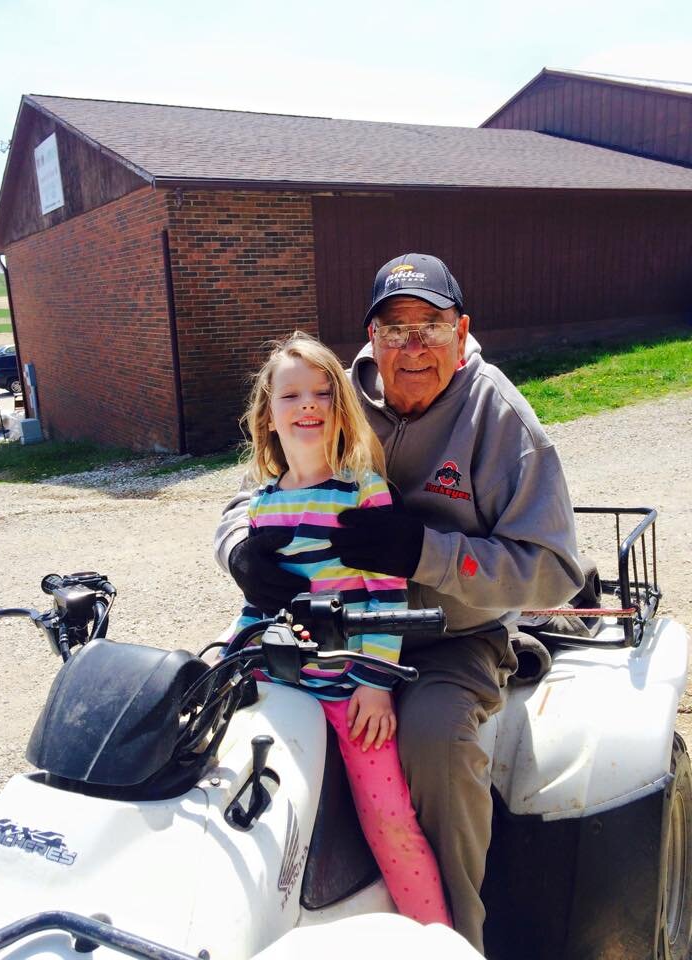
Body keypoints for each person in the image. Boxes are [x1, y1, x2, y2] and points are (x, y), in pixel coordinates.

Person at [215, 255, 584, 953]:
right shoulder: (331, 391)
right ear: (371, 338)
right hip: (325, 624)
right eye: (395, 330)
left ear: (461, 329)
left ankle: (451, 939)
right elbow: (258, 491)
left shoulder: (499, 416)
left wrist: (424, 553)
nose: (412, 348)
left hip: (450, 637)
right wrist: (239, 548)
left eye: (431, 328)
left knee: (433, 744)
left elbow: (556, 570)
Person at [226, 331, 452, 927]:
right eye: (292, 394)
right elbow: (260, 605)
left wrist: (376, 682)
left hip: (350, 692)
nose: (309, 404)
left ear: (339, 408)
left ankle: (435, 936)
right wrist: (230, 660)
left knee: (390, 820)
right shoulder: (263, 505)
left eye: (324, 393)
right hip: (283, 685)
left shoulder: (362, 491)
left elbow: (386, 594)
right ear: (268, 414)